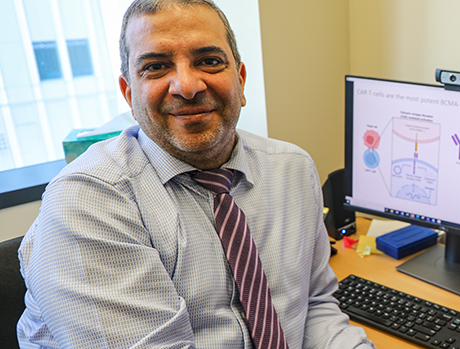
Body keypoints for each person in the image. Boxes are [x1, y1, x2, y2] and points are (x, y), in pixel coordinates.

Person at [16, 0, 374, 348]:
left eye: (209, 61)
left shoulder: (291, 169)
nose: (187, 86)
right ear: (129, 94)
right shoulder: (88, 201)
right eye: (156, 67)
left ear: (241, 80)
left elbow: (314, 306)